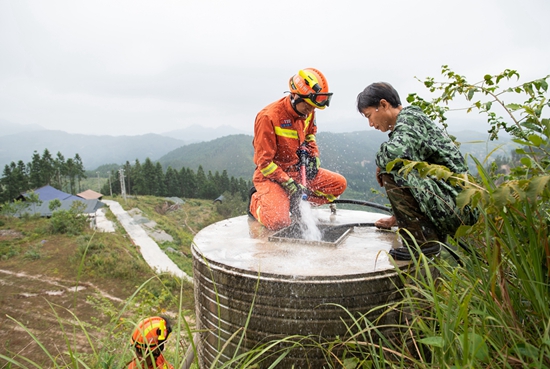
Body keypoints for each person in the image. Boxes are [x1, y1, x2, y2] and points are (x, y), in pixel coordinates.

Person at [356, 82, 477, 260]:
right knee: (395, 167)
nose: (370, 124)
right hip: (454, 202)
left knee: (391, 170)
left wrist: (381, 165)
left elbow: (395, 155)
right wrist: (396, 218)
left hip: (457, 206)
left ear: (383, 104)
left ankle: (421, 242)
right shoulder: (411, 120)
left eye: (369, 116)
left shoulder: (408, 121)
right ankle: (426, 235)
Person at [249, 68, 347, 231]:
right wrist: (287, 182)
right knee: (278, 223)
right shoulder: (268, 117)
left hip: (297, 171)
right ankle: (256, 202)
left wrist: (313, 156)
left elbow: (310, 135)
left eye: (314, 107)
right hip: (272, 176)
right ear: (295, 96)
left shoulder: (308, 112)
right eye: (308, 106)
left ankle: (294, 203)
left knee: (339, 185)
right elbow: (264, 163)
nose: (311, 110)